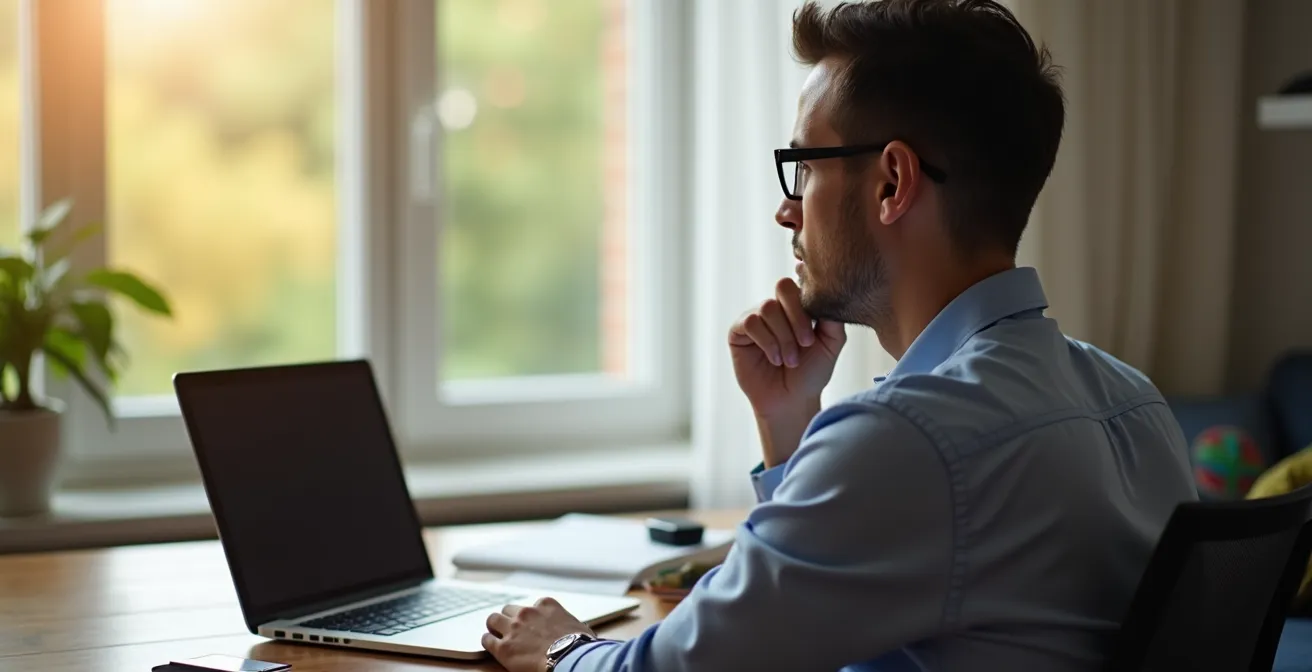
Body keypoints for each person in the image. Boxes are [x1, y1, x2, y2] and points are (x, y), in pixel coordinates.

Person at [481, 0, 1197, 669]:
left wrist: (565, 647)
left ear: (892, 182)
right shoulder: (1133, 401)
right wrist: (788, 423)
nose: (786, 214)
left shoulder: (913, 438)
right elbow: (813, 600)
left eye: (802, 168)